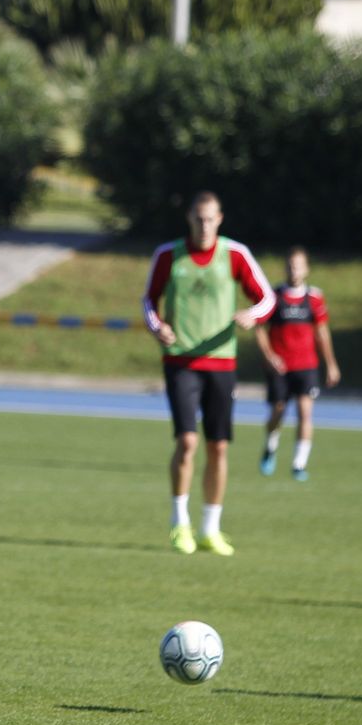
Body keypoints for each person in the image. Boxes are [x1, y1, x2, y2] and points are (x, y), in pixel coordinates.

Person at [141, 192, 275, 557]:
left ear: (220, 219)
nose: (204, 225)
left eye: (210, 219)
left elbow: (266, 298)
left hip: (221, 362)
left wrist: (253, 315)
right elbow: (149, 300)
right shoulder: (169, 255)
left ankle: (210, 528)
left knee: (218, 447)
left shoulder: (235, 255)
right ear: (189, 218)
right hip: (181, 361)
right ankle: (179, 523)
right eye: (198, 218)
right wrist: (157, 328)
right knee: (187, 442)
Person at [254, 247, 341, 482]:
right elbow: (260, 328)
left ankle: (298, 464)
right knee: (278, 411)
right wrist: (269, 355)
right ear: (285, 268)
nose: (294, 269)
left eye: (298, 265)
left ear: (306, 269)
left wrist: (331, 364)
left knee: (305, 412)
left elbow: (322, 332)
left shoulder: (314, 298)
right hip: (280, 366)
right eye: (290, 265)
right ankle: (270, 446)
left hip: (306, 365)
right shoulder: (273, 296)